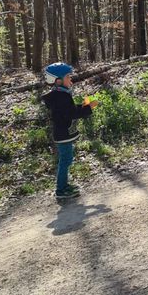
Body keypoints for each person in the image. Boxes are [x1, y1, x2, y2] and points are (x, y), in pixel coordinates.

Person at [42, 62, 98, 199]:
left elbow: (70, 110)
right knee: (65, 160)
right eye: (68, 77)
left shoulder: (60, 95)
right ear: (58, 81)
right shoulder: (61, 97)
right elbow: (71, 114)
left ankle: (64, 186)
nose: (71, 80)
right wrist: (88, 108)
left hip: (63, 133)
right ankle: (61, 190)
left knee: (67, 159)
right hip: (63, 134)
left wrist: (84, 106)